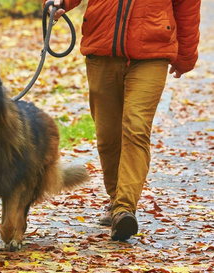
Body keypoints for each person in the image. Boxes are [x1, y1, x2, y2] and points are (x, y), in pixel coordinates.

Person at [45, 0, 201, 241]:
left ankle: (124, 208)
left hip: (152, 53)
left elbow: (188, 7)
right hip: (102, 49)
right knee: (107, 136)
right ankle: (116, 198)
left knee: (136, 128)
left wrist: (186, 56)